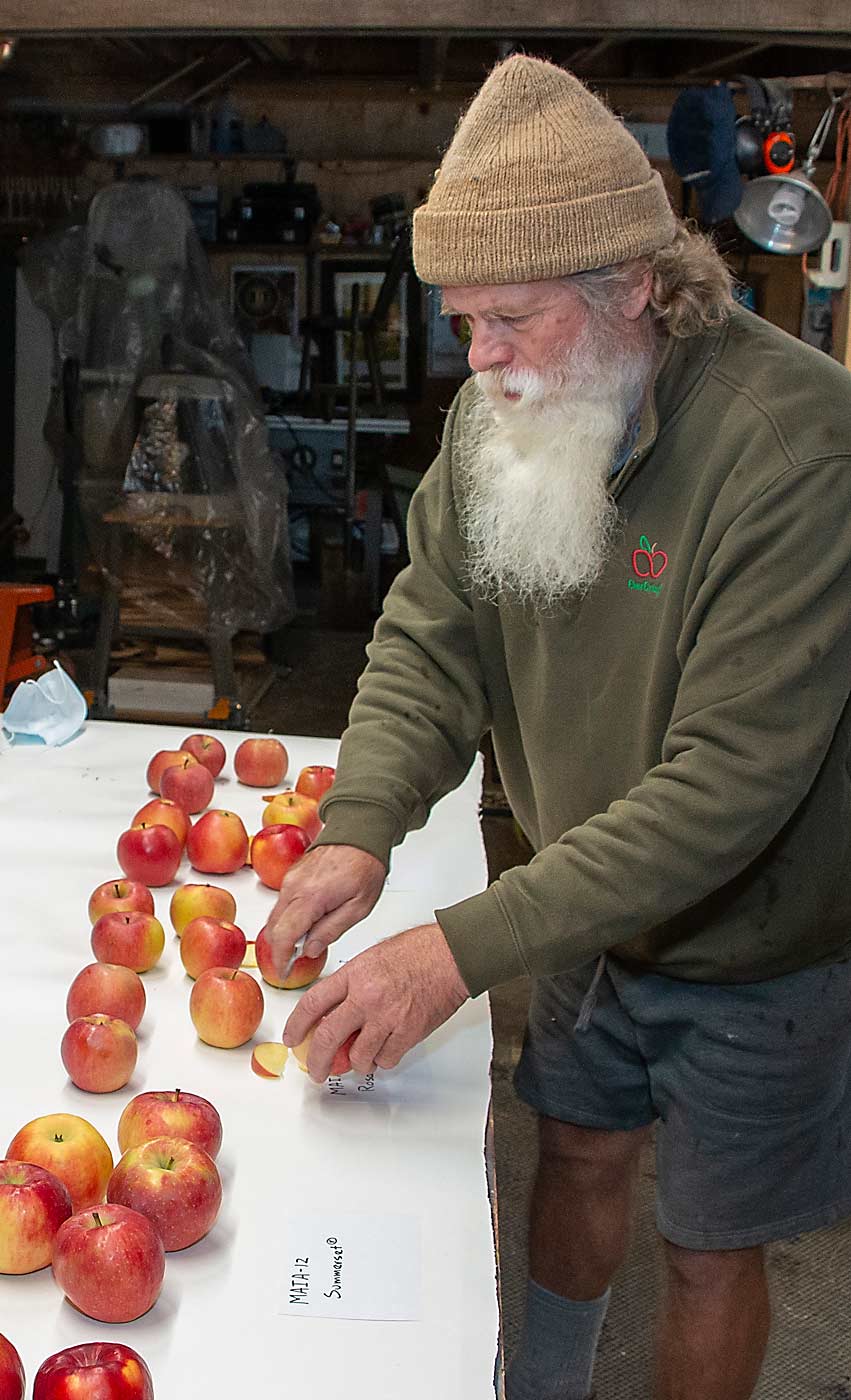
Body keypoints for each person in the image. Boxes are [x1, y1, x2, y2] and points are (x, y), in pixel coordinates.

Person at [268, 54, 851, 1400]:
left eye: (510, 321)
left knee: (708, 1246)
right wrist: (363, 827)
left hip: (762, 945)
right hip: (588, 902)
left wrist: (459, 951)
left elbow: (729, 790)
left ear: (633, 286)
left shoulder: (795, 453)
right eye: (463, 321)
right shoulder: (502, 411)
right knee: (576, 1151)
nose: (479, 362)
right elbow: (435, 629)